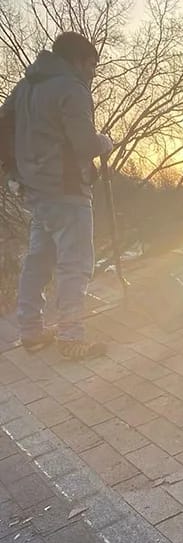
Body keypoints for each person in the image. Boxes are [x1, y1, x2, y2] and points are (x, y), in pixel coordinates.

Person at [0, 31, 113, 360]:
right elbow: (85, 144)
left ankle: (31, 331)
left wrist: (14, 172)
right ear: (76, 60)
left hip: (36, 190)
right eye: (91, 66)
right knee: (74, 263)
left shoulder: (26, 87)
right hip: (66, 190)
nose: (93, 73)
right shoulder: (71, 87)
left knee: (39, 261)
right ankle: (71, 337)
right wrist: (105, 141)